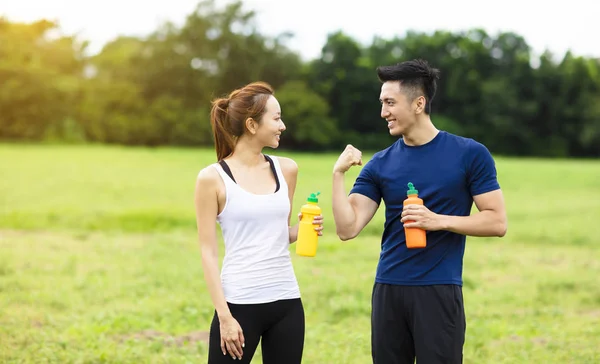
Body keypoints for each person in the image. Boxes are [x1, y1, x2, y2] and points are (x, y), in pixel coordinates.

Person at [331, 59, 508, 364]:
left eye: (390, 102)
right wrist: (338, 175)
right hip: (388, 289)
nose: (383, 112)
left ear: (418, 103)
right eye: (382, 103)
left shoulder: (469, 154)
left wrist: (438, 221)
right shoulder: (380, 164)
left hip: (438, 290)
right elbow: (347, 229)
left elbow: (496, 220)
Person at [194, 81, 324, 363]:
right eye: (276, 118)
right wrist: (224, 317)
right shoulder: (212, 178)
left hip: (286, 301)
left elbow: (278, 233)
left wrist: (302, 229)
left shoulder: (287, 169)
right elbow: (208, 251)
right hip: (238, 305)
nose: (283, 126)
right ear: (252, 125)